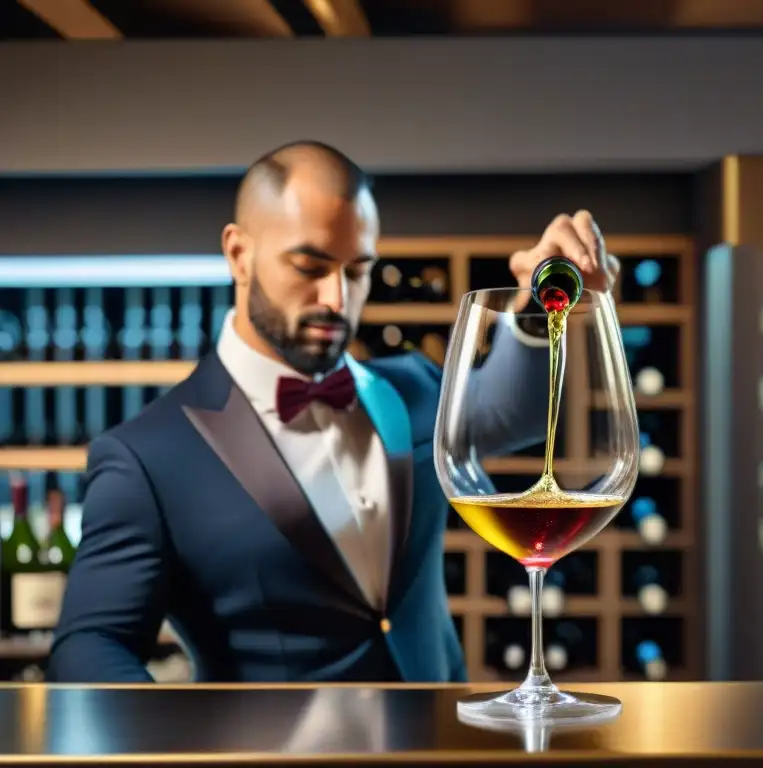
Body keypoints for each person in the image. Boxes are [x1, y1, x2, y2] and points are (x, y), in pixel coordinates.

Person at [48, 140, 619, 683]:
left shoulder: (411, 388)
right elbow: (90, 647)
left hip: (444, 747)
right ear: (238, 254)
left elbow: (514, 413)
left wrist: (540, 306)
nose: (337, 300)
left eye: (356, 270)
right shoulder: (145, 459)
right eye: (309, 266)